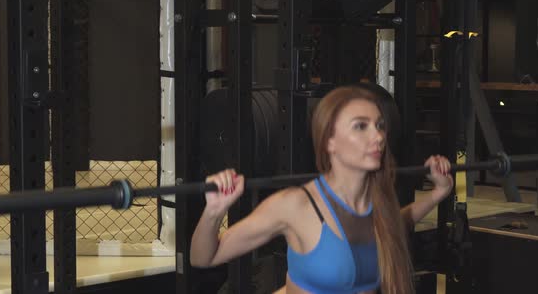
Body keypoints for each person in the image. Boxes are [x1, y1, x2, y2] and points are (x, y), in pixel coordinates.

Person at [190, 85, 453, 294]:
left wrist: (437, 194)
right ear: (330, 141)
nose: (378, 136)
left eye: (379, 125)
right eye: (360, 126)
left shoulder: (377, 203)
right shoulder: (296, 205)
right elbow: (203, 258)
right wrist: (214, 212)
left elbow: (395, 223)